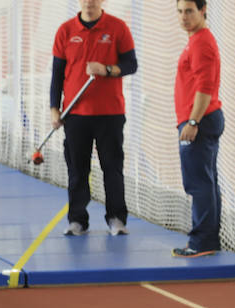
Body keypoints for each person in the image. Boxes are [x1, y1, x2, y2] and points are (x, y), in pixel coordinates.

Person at [50, 0, 138, 236]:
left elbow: (131, 64)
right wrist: (53, 108)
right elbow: (57, 73)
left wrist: (107, 70)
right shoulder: (66, 31)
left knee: (113, 168)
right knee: (77, 170)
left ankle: (117, 219)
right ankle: (77, 220)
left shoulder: (118, 28)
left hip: (110, 114)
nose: (89, 1)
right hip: (75, 115)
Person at [172, 0, 224, 258]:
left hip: (199, 121)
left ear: (203, 11)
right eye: (180, 12)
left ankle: (201, 242)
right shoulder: (196, 40)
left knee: (199, 183)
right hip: (203, 119)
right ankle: (208, 240)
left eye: (189, 11)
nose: (184, 17)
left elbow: (204, 88)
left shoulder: (202, 43)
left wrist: (193, 122)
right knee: (207, 181)